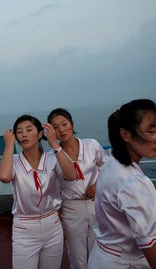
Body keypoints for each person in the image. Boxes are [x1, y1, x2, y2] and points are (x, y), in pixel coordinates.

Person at [88, 99, 156, 269]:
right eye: (151, 131)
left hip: (102, 256)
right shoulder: (133, 183)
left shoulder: (111, 164)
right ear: (125, 134)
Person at [0, 114, 77, 269]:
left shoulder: (52, 158)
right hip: (25, 228)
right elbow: (4, 176)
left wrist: (54, 144)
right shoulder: (13, 161)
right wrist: (8, 145)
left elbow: (71, 175)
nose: (24, 134)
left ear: (40, 134)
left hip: (52, 224)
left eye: (28, 129)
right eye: (19, 132)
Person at [47, 108, 107, 269]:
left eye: (64, 124)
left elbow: (107, 168)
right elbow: (52, 187)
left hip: (96, 202)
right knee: (76, 254)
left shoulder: (91, 145)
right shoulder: (52, 157)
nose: (61, 130)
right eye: (55, 127)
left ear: (72, 124)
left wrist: (97, 185)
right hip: (72, 207)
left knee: (100, 249)